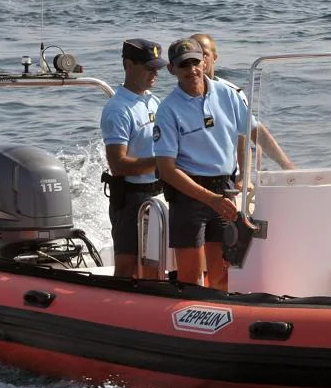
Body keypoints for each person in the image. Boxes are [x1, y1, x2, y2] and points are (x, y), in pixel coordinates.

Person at [154, 38, 252, 290]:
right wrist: (211, 199)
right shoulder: (168, 110)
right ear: (172, 69)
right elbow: (166, 168)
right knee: (190, 277)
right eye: (183, 65)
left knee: (223, 274)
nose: (191, 70)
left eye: (195, 62)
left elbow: (249, 135)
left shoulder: (229, 94)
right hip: (189, 196)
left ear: (205, 61)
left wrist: (247, 175)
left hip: (225, 191)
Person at [100, 38, 167, 278]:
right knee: (127, 266)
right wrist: (162, 163)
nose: (154, 74)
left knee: (154, 263)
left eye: (156, 69)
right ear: (128, 65)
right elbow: (118, 165)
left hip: (158, 192)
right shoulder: (118, 109)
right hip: (131, 197)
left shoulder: (154, 101)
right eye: (149, 68)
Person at [191, 33, 295, 170]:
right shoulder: (177, 100)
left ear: (214, 57)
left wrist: (287, 166)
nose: (201, 60)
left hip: (229, 174)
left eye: (204, 54)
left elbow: (251, 134)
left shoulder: (232, 93)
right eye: (195, 55)